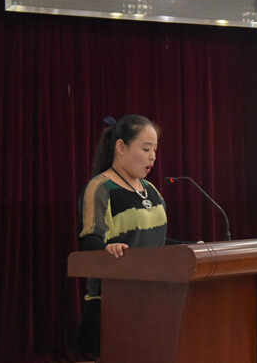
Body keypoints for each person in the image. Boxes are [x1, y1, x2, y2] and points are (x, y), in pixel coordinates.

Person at [74, 114, 195, 359]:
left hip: (155, 301)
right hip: (113, 304)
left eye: (155, 150)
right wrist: (107, 249)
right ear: (121, 147)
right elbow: (91, 240)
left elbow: (155, 244)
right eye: (146, 149)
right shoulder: (100, 188)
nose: (153, 157)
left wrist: (191, 248)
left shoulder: (151, 190)